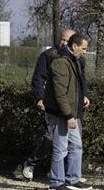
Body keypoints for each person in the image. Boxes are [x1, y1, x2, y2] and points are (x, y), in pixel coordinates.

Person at [22, 29, 90, 180]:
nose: (65, 43)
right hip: (56, 106)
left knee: (73, 142)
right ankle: (32, 163)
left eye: (68, 40)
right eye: (64, 40)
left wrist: (84, 95)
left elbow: (81, 80)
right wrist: (40, 98)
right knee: (51, 139)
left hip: (71, 106)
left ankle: (70, 175)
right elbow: (40, 79)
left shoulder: (78, 59)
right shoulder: (49, 57)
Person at [44, 33, 93, 190]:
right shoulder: (60, 62)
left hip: (72, 111)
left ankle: (73, 179)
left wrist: (82, 97)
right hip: (62, 113)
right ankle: (56, 183)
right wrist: (68, 116)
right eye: (83, 48)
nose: (85, 51)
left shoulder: (75, 60)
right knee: (61, 147)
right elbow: (60, 92)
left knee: (77, 146)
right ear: (74, 46)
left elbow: (76, 86)